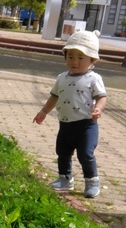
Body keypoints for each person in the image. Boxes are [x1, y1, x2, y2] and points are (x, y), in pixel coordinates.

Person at [32, 30, 107, 198]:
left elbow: (102, 97)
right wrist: (43, 111)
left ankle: (92, 180)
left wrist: (99, 109)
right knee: (62, 152)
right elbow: (54, 96)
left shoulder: (93, 78)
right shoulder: (62, 78)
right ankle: (65, 178)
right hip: (65, 124)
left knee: (85, 153)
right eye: (70, 56)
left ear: (92, 60)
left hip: (86, 125)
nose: (75, 61)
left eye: (81, 58)